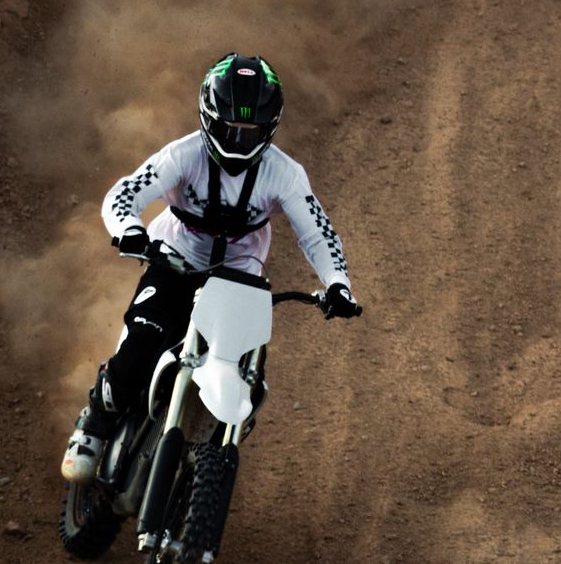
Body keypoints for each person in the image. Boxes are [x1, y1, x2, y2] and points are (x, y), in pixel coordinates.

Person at [61, 53, 361, 483]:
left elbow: (318, 233)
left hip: (238, 276)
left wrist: (337, 285)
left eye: (249, 132)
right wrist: (129, 230)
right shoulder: (183, 155)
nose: (238, 141)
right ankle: (96, 418)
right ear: (207, 117)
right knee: (142, 342)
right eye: (228, 129)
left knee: (248, 376)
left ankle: (208, 450)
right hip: (174, 258)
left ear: (270, 127)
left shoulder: (285, 175)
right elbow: (124, 194)